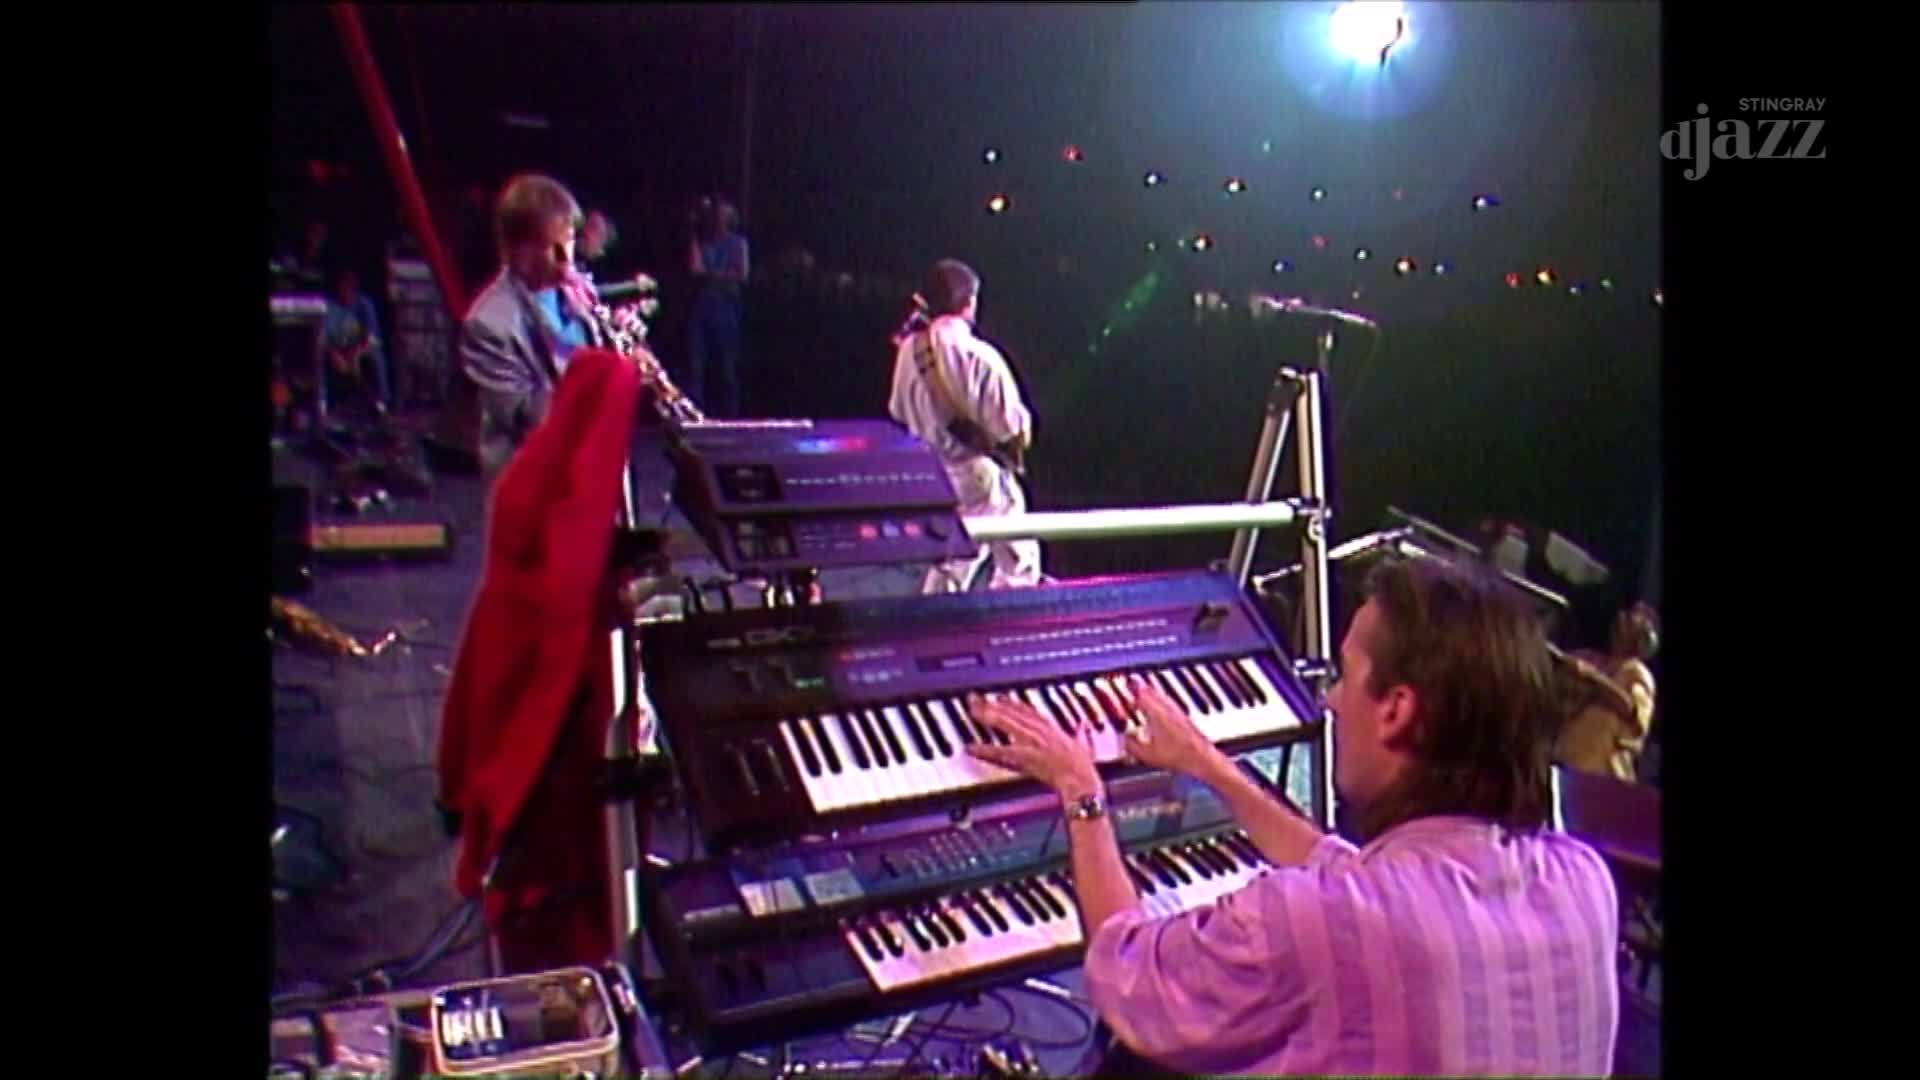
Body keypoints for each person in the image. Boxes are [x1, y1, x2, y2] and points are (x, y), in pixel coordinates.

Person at [965, 555, 1619, 1076]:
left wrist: (1082, 793)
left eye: (1343, 675)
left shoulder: (1316, 918)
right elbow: (1357, 876)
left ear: (1396, 709)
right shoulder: (1583, 879)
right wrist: (1207, 764)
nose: (1330, 701)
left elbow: (1131, 977)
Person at [888, 259, 1043, 593]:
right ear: (969, 301)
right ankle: (1011, 630)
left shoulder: (907, 354)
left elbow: (898, 412)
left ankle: (934, 628)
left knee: (952, 560)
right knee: (1017, 562)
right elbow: (1011, 431)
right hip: (976, 474)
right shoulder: (980, 357)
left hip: (931, 471)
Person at [457, 173, 604, 477]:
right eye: (553, 248)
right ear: (516, 250)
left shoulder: (576, 290)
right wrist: (614, 386)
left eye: (570, 243)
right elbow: (530, 416)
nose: (567, 260)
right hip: (535, 487)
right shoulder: (488, 325)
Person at [1554, 600, 1659, 783]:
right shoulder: (1589, 657)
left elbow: (1632, 711)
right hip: (1564, 762)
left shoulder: (1637, 673)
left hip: (1602, 776)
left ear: (1642, 638)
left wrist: (1591, 677)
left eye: (1631, 618)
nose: (1622, 616)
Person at [686, 196, 748, 416]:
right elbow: (696, 269)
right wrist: (693, 232)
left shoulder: (738, 243)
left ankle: (730, 415)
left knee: (726, 366)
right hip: (702, 307)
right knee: (696, 364)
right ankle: (694, 413)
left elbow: (740, 274)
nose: (716, 221)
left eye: (721, 217)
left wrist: (712, 276)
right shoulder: (703, 243)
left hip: (726, 309)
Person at [321, 266, 391, 415]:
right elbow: (323, 334)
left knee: (376, 357)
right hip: (338, 347)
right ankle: (323, 401)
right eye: (341, 287)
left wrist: (356, 354)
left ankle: (381, 401)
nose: (344, 291)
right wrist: (334, 354)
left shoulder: (365, 304)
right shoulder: (329, 305)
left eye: (347, 288)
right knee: (320, 358)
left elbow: (372, 335)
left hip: (361, 346)